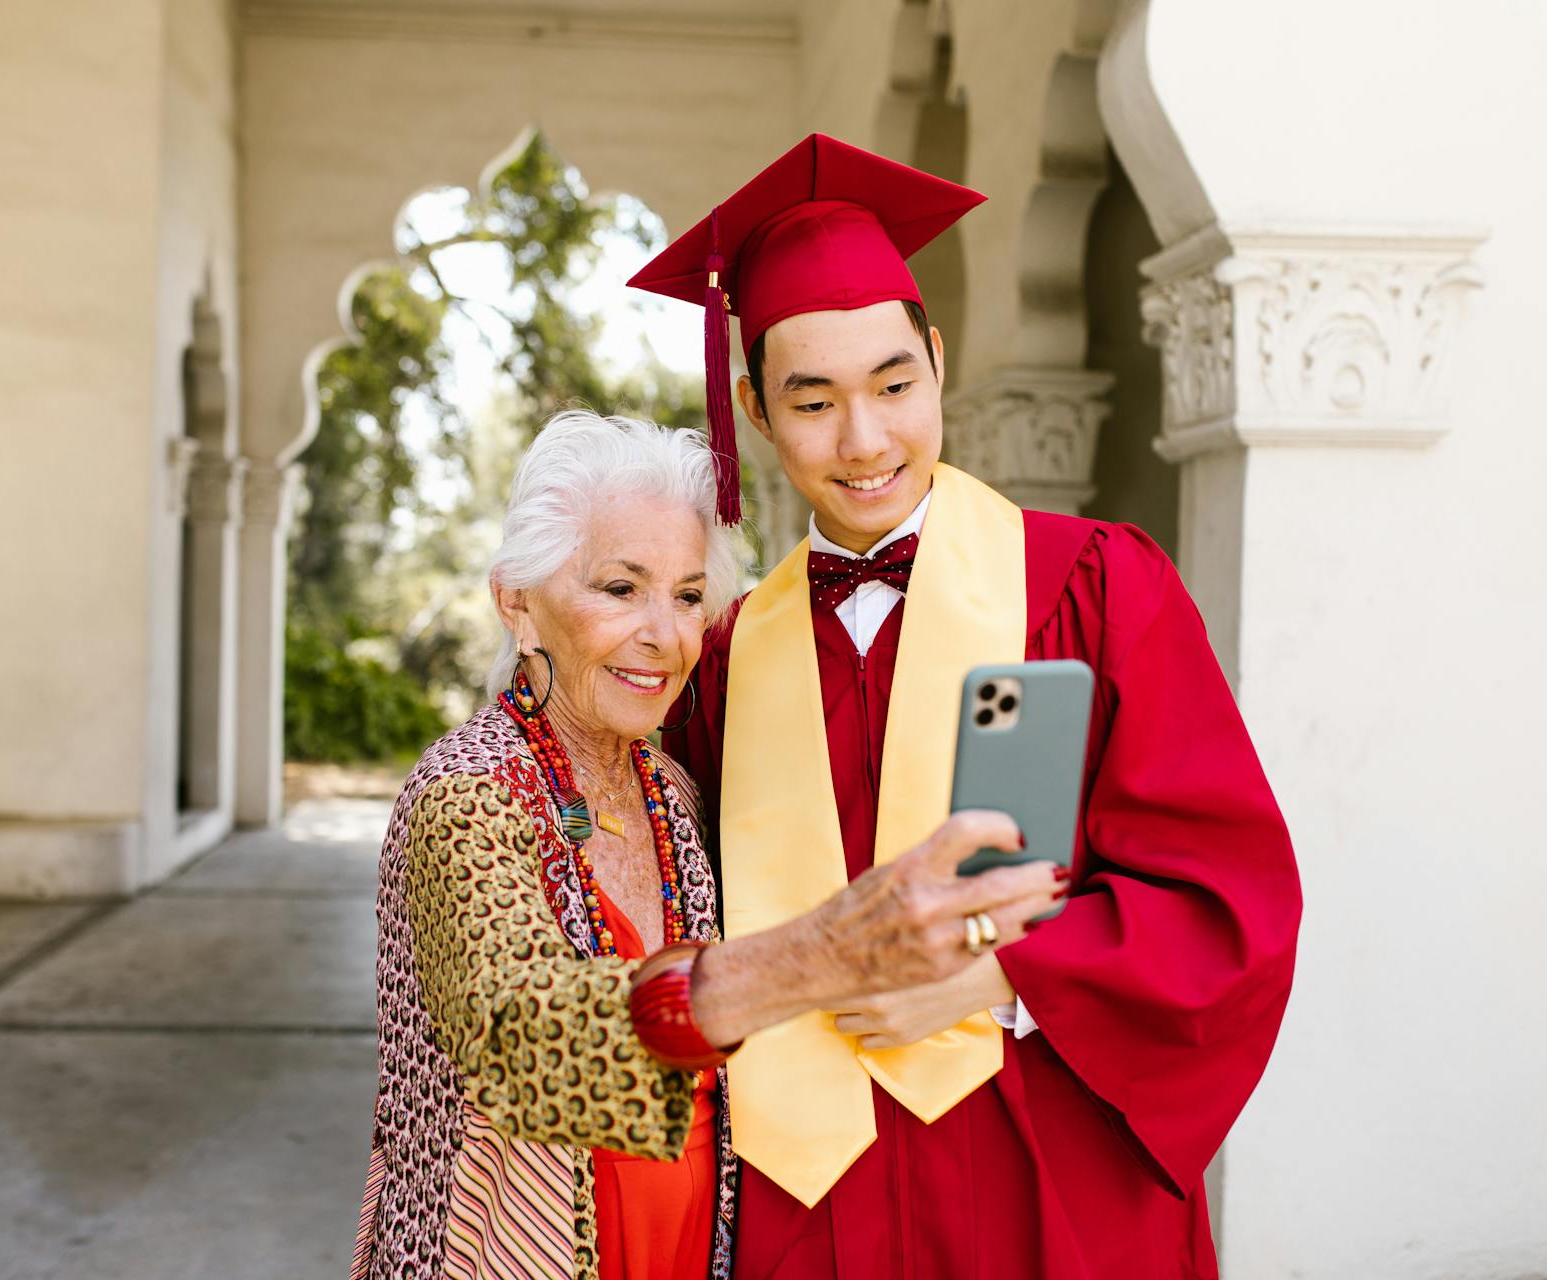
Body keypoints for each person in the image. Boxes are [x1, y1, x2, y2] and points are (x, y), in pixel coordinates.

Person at [631, 135, 1303, 1278]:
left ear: (938, 361)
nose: (866, 439)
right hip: (814, 1204)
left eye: (895, 384)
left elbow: (1225, 900)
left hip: (1048, 1165)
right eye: (814, 400)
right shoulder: (734, 656)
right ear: (753, 408)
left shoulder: (1093, 583)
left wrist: (997, 976)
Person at [351, 411, 1064, 1280]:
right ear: (518, 602)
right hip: (516, 1248)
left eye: (689, 596)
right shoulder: (466, 796)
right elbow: (520, 1032)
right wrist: (821, 953)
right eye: (620, 589)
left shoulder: (672, 792)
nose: (665, 634)